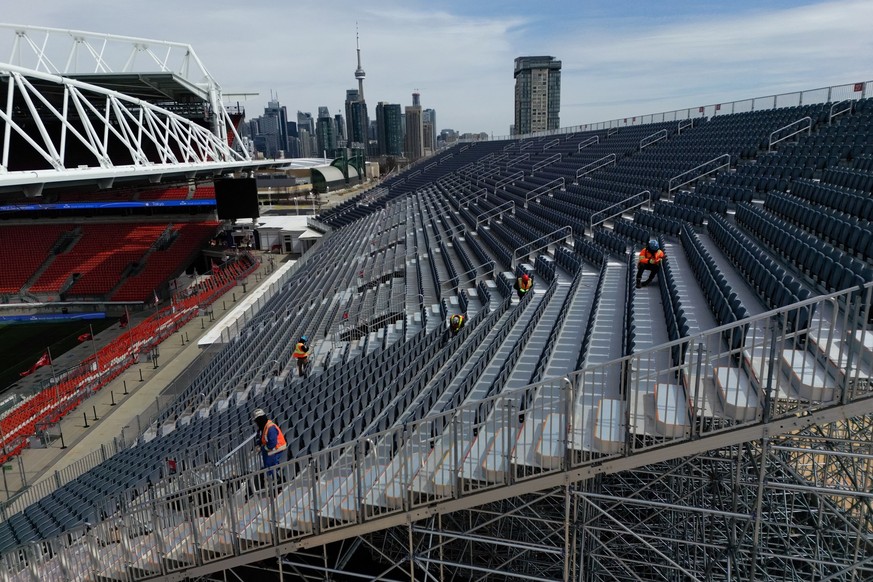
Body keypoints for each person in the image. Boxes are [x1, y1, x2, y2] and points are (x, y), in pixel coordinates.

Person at [252, 408, 287, 488]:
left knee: (272, 469)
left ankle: (277, 486)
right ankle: (275, 485)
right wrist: (258, 443)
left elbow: (272, 443)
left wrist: (261, 449)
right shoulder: (265, 426)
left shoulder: (270, 428)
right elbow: (263, 438)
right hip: (272, 451)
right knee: (270, 469)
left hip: (276, 451)